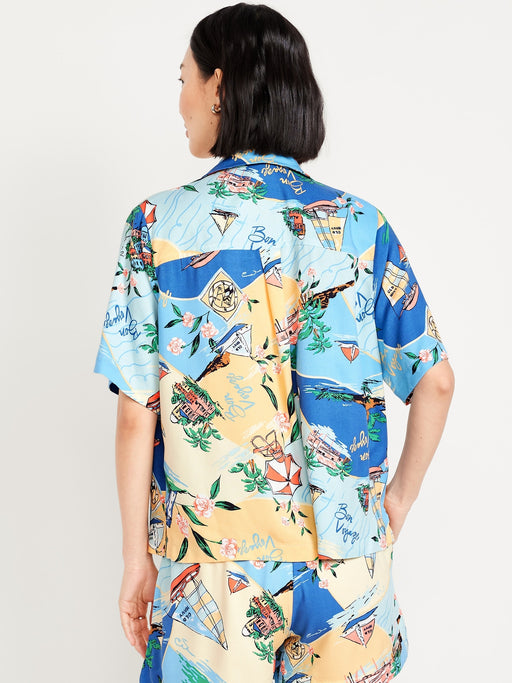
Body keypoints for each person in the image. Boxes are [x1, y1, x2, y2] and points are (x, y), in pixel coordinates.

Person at [94, 4, 454, 682]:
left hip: (215, 564)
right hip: (349, 562)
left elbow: (136, 412)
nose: (179, 102)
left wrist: (136, 560)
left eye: (183, 79)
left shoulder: (155, 225)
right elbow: (435, 381)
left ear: (219, 85)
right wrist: (395, 503)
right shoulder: (362, 226)